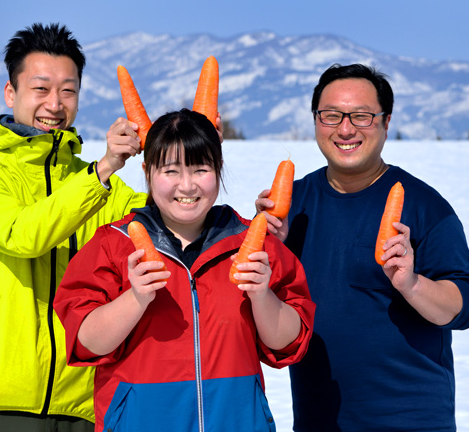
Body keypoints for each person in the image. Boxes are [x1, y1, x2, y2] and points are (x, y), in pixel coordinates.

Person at [54, 109, 316, 432]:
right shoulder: (113, 245)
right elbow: (85, 341)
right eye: (171, 170)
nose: (187, 185)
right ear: (148, 171)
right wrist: (135, 299)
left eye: (200, 169)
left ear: (218, 169)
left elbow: (288, 343)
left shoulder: (254, 243)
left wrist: (262, 296)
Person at [256, 63, 469, 431]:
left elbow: (463, 308)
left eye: (361, 116)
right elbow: (270, 312)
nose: (345, 129)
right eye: (331, 116)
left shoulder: (425, 206)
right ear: (316, 121)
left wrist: (412, 283)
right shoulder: (292, 205)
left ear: (386, 122)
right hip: (318, 421)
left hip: (411, 420)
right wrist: (268, 250)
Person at [0, 23, 149, 432]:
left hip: (83, 404)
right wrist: (103, 170)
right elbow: (24, 235)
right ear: (11, 93)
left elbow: (170, 229)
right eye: (41, 89)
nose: (54, 104)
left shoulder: (102, 187)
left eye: (68, 90)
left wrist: (184, 153)